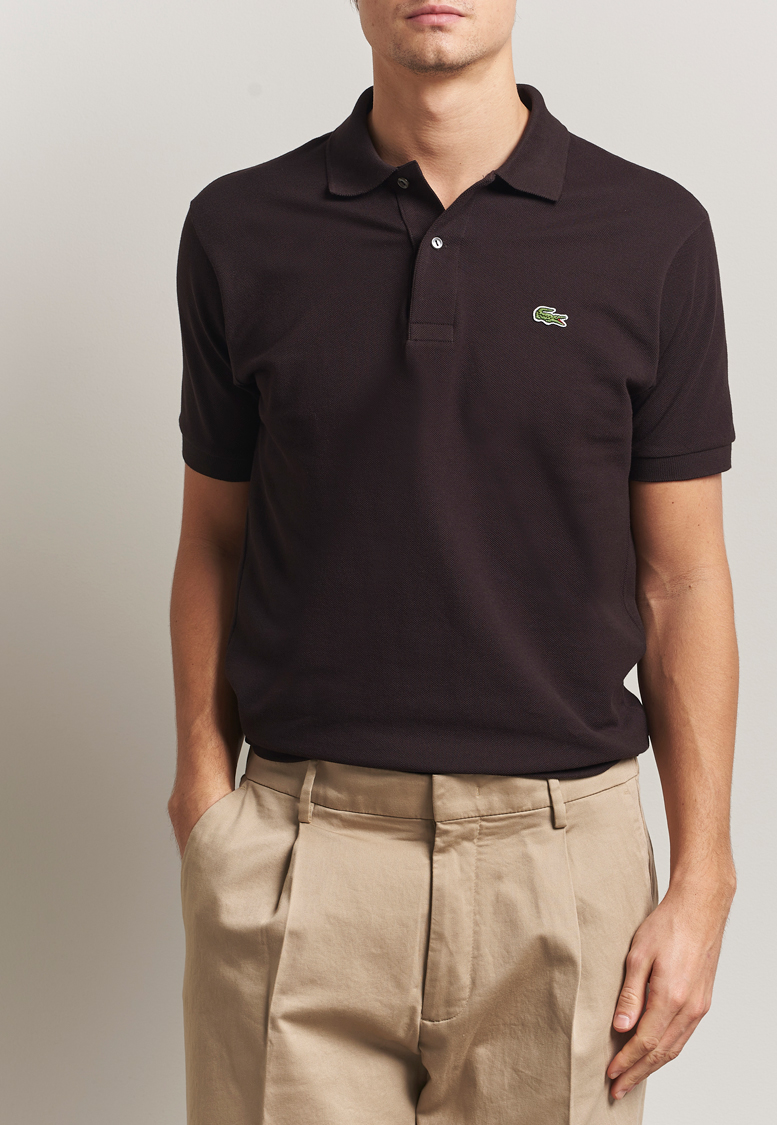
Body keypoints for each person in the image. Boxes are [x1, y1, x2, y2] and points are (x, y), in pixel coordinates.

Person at [167, 2, 739, 1122]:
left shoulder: (653, 232)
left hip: (561, 869)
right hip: (300, 853)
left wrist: (703, 875)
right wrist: (203, 797)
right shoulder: (239, 229)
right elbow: (214, 537)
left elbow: (682, 580)